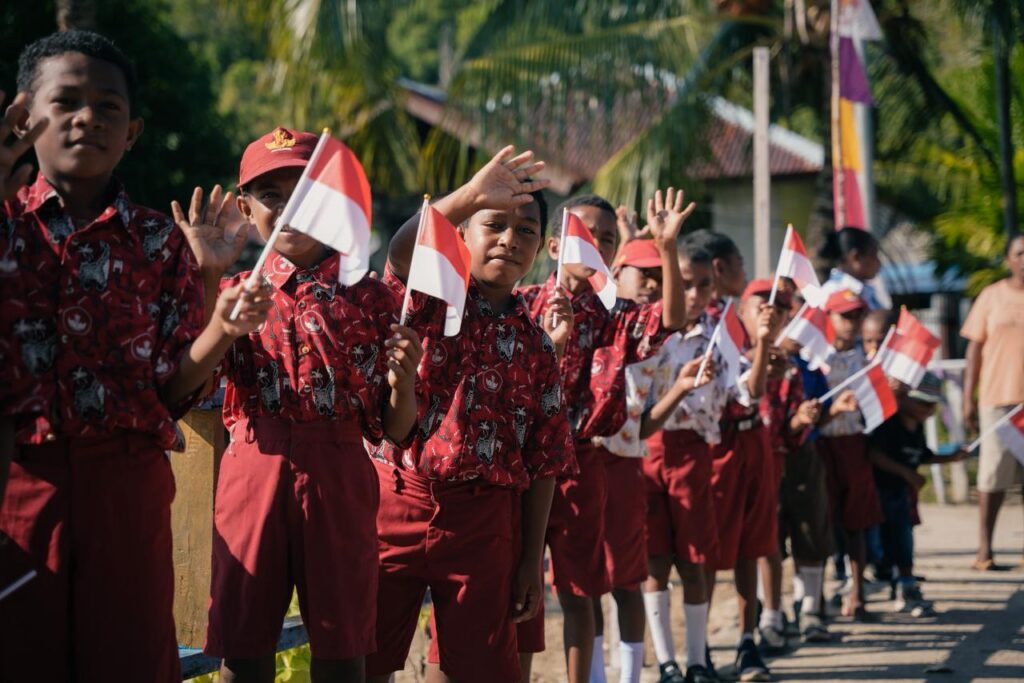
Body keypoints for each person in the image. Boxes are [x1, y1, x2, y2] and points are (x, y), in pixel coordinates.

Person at [0, 31, 269, 683]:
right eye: (64, 101)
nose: (87, 116)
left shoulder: (158, 241)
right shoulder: (6, 226)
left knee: (130, 660)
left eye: (108, 106)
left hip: (128, 488)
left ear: (134, 130)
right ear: (21, 116)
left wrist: (221, 330)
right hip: (19, 483)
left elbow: (174, 386)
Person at [175, 127, 424, 683]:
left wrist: (404, 384)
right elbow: (184, 388)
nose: (290, 210)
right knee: (243, 647)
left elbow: (397, 431)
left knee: (341, 649)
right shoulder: (232, 292)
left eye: (309, 195)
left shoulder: (373, 297)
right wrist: (213, 291)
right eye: (271, 196)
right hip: (252, 469)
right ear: (244, 207)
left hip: (340, 471)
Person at [367, 147, 577, 683]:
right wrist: (468, 195)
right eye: (494, 223)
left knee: (475, 667)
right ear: (463, 231)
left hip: (484, 523)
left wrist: (531, 561)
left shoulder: (537, 347)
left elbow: (545, 462)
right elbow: (398, 252)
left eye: (526, 231)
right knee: (364, 657)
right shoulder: (430, 296)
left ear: (539, 250)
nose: (510, 238)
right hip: (397, 502)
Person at [517, 189, 690, 683]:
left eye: (607, 239)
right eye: (586, 234)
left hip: (581, 464)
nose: (597, 245)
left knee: (579, 593)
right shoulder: (519, 305)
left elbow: (671, 320)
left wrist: (667, 246)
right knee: (517, 591)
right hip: (518, 469)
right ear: (554, 248)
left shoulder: (615, 315)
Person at [589, 238, 680, 683]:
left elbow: (645, 426)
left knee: (626, 578)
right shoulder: (588, 320)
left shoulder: (657, 343)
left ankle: (628, 675)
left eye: (659, 277)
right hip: (578, 461)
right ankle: (591, 674)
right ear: (616, 268)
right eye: (643, 271)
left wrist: (678, 393)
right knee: (581, 581)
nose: (651, 283)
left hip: (624, 466)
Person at [637, 242, 722, 683]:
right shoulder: (652, 330)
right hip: (650, 448)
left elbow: (732, 394)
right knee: (655, 560)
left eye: (703, 284)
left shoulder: (718, 334)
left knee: (694, 560)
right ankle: (667, 662)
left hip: (692, 452)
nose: (693, 294)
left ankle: (697, 660)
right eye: (684, 283)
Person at [868, 372, 968, 614]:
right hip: (879, 493)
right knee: (875, 545)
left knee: (903, 539)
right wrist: (906, 473)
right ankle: (866, 583)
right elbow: (874, 455)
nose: (928, 408)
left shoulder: (917, 428)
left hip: (901, 496)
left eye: (932, 404)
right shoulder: (888, 425)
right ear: (903, 398)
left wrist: (951, 457)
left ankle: (906, 586)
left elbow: (923, 455)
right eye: (922, 402)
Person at [816, 289, 881, 621]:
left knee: (856, 522)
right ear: (828, 317)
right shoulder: (815, 359)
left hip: (854, 443)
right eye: (846, 316)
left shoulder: (865, 360)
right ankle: (820, 595)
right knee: (824, 521)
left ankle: (857, 593)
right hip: (822, 446)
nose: (853, 323)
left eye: (858, 315)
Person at [961, 233, 1024, 571]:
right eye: (1020, 253)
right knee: (992, 477)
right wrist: (968, 399)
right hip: (998, 399)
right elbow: (974, 349)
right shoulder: (991, 296)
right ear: (1008, 259)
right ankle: (984, 549)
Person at [819, 227, 884, 310]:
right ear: (856, 257)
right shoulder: (834, 292)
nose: (879, 262)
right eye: (874, 255)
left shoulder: (863, 290)